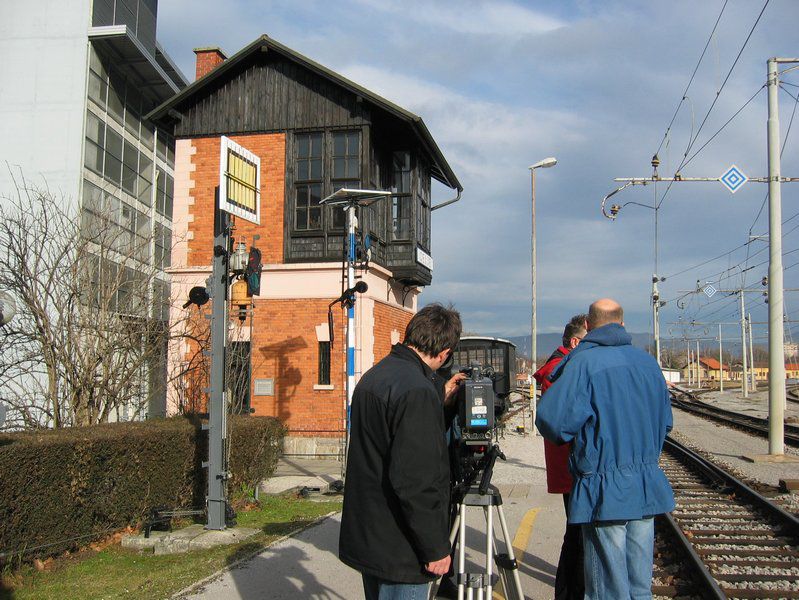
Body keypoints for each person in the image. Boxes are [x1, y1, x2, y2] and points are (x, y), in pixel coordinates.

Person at [535, 299, 674, 600]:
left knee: (607, 590)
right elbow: (665, 424)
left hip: (603, 490)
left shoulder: (583, 364)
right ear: (622, 324)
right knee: (639, 587)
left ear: (588, 325)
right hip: (646, 485)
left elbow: (553, 422)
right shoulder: (648, 363)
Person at [339, 303, 462, 599]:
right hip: (401, 547)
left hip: (372, 536)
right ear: (444, 353)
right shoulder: (416, 391)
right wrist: (435, 548)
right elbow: (415, 481)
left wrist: (437, 398)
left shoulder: (375, 376)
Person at [533, 313, 587, 600]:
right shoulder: (561, 369)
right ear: (576, 341)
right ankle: (569, 592)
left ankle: (571, 589)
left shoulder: (563, 365)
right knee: (577, 533)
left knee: (577, 532)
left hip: (571, 463)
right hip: (572, 464)